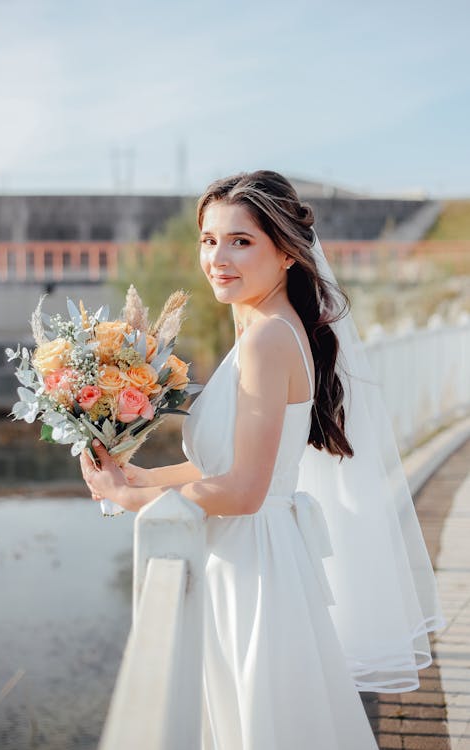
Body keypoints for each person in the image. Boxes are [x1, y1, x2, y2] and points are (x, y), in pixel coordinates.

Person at [80, 169, 445, 749]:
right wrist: (142, 475)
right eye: (208, 240)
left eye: (240, 240)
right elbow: (227, 467)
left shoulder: (266, 339)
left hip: (251, 562)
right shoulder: (265, 328)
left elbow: (246, 490)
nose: (217, 257)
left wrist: (129, 499)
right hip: (253, 552)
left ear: (287, 255)